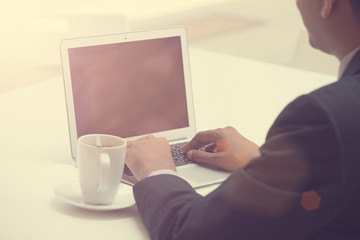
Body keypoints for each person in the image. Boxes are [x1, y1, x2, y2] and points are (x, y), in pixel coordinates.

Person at [125, 0, 360, 239]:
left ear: (326, 4)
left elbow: (191, 233)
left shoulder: (324, 117)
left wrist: (157, 170)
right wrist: (267, 163)